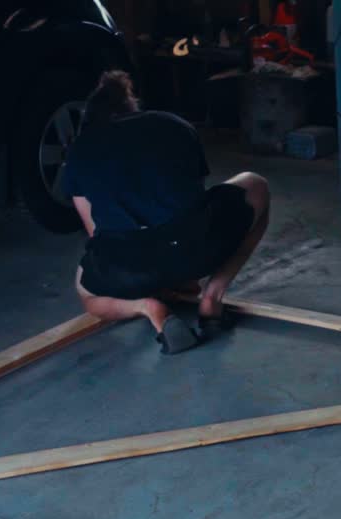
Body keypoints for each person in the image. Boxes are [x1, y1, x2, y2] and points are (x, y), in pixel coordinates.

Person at [61, 70, 270, 354]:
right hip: (195, 248)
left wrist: (149, 276)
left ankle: (146, 307)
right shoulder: (173, 124)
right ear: (130, 105)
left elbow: (96, 233)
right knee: (256, 185)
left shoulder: (79, 150)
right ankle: (213, 297)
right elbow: (195, 199)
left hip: (129, 267)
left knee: (87, 291)